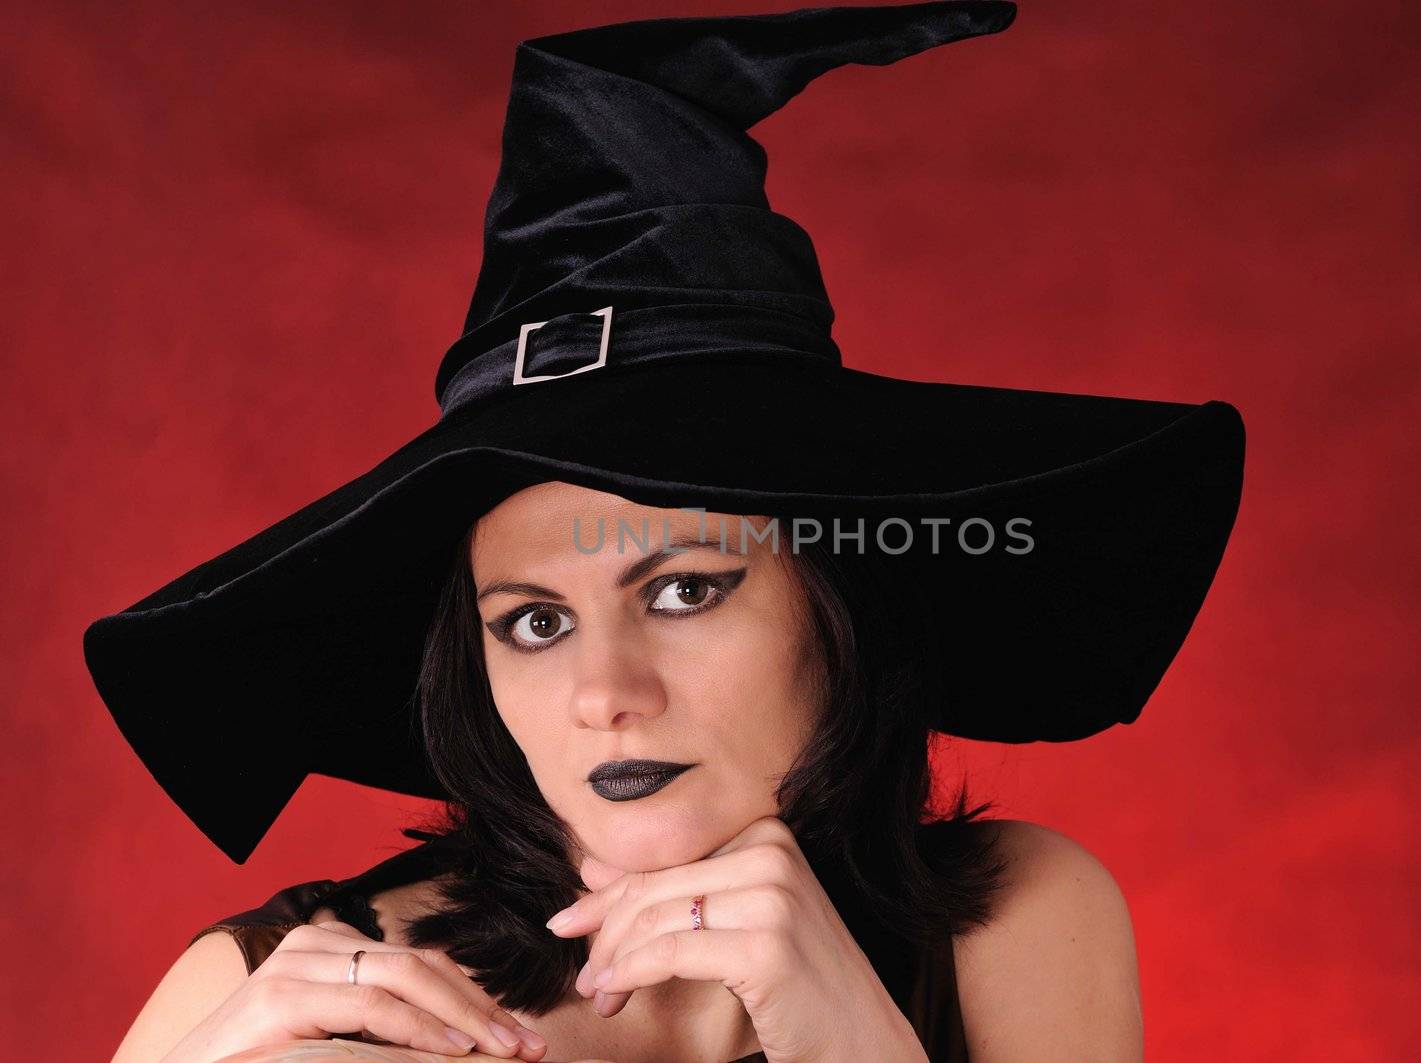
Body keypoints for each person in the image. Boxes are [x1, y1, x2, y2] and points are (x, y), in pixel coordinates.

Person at [86, 3, 1245, 1062]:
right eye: (534, 621)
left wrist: (855, 1040)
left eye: (685, 590)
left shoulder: (1018, 918)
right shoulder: (274, 1005)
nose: (604, 692)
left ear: (834, 603)